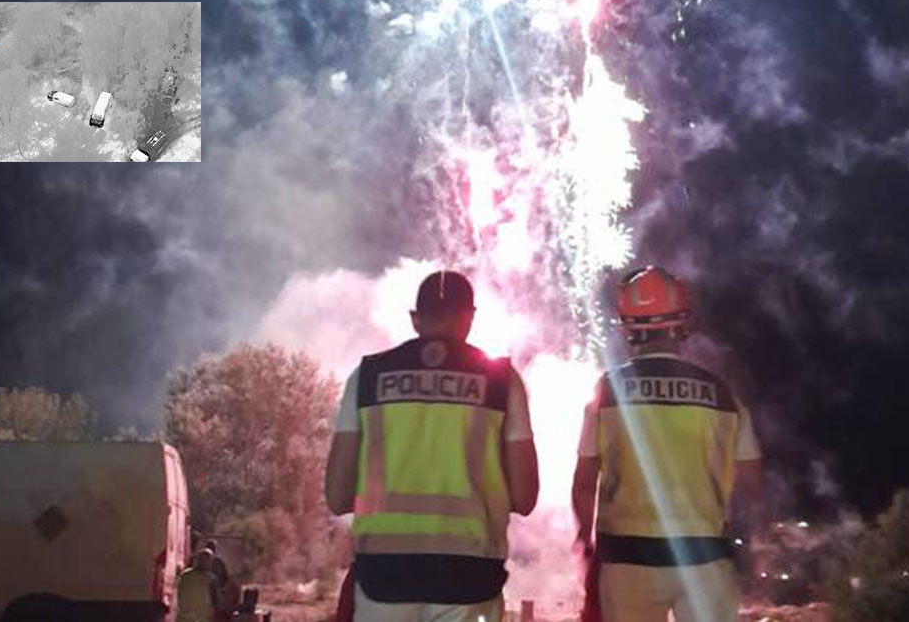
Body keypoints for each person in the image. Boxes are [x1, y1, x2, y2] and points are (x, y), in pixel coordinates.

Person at [325, 270, 539, 622]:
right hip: (469, 577)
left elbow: (336, 496)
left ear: (415, 318)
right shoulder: (502, 382)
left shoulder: (367, 377)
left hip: (384, 576)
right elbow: (526, 497)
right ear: (470, 316)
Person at [572, 266, 764, 622]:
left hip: (626, 559)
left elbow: (584, 483)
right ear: (684, 322)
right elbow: (752, 486)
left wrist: (586, 537)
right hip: (705, 558)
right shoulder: (723, 395)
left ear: (628, 328)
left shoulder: (608, 391)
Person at [176, 548, 216, 622]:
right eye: (201, 560)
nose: (204, 563)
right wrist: (186, 612)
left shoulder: (211, 578)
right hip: (187, 617)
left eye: (207, 560)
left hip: (204, 617)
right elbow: (181, 594)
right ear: (197, 560)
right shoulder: (187, 576)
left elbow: (214, 598)